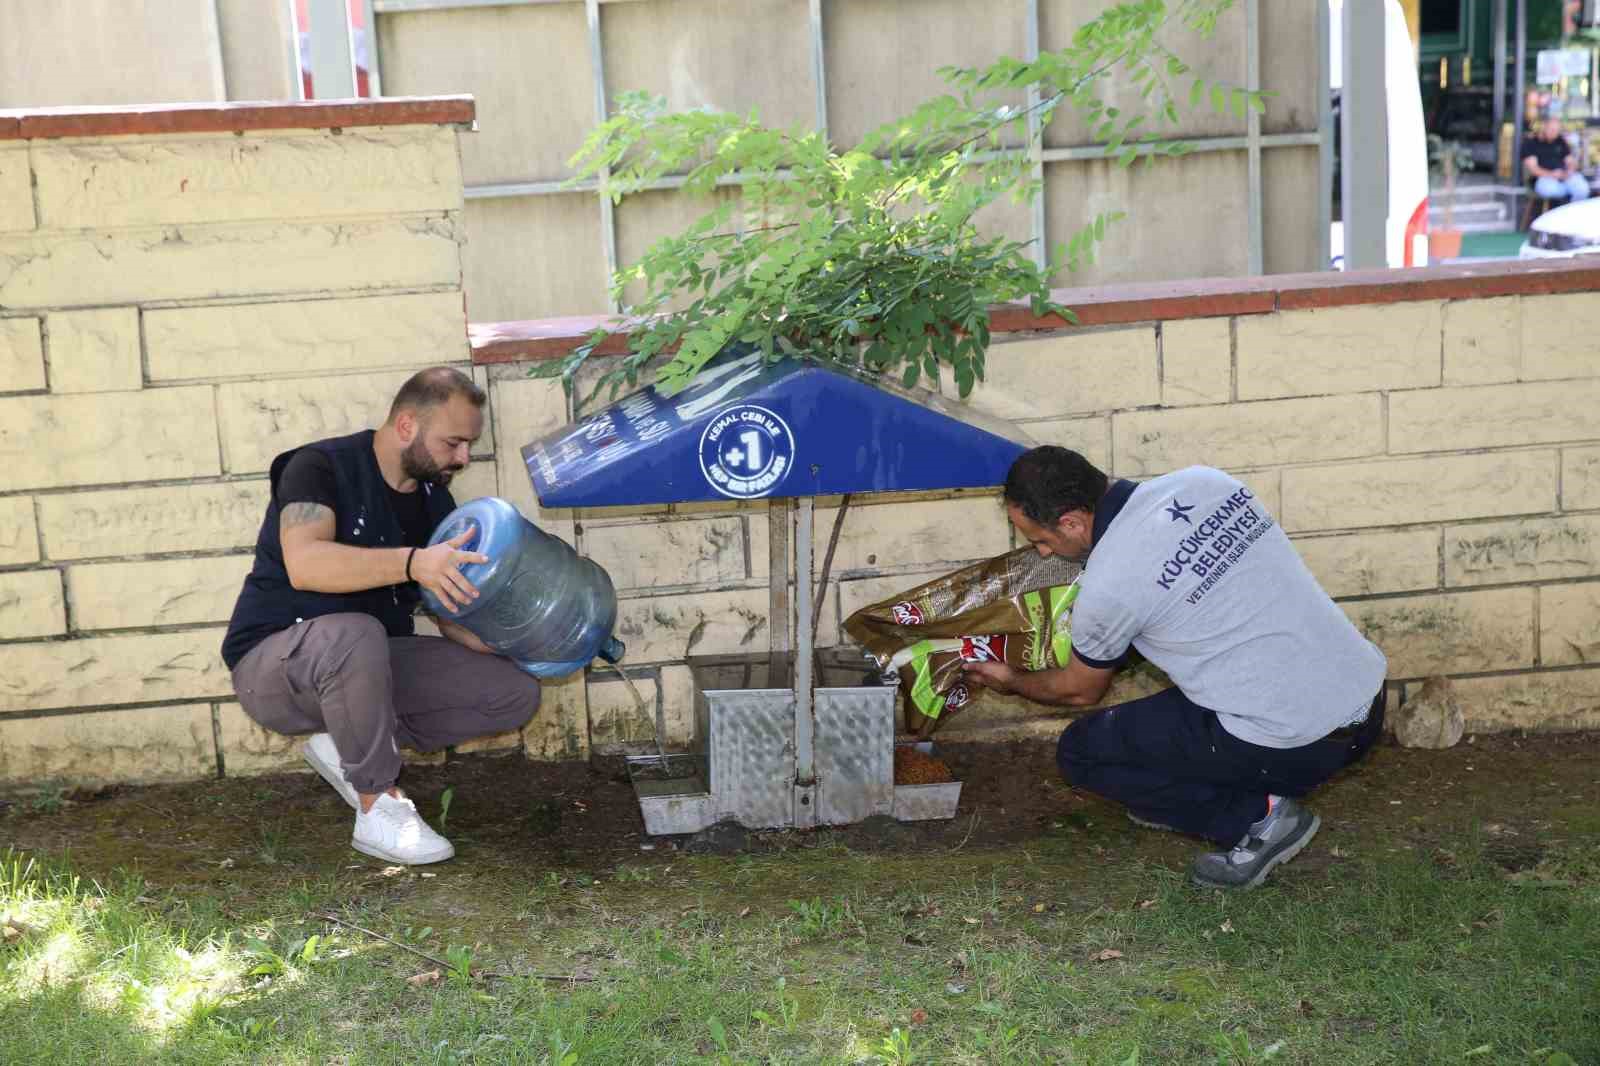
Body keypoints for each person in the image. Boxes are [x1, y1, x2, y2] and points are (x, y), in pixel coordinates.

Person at [962, 447, 1386, 889]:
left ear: (1071, 522)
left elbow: (1078, 690)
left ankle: (1258, 819)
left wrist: (1011, 680)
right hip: (1367, 700)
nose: (1045, 553)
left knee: (1084, 750)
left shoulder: (1109, 586)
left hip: (1301, 744)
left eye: (1041, 540)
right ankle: (1202, 792)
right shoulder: (1208, 482)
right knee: (1176, 710)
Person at [220, 367, 541, 866]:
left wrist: (515, 643)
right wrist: (413, 562)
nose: (463, 458)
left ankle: (347, 745)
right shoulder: (317, 466)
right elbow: (305, 564)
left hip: (368, 661)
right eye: (453, 442)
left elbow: (447, 610)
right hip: (275, 664)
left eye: (468, 445)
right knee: (355, 633)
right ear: (407, 425)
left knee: (513, 691)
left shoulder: (435, 501)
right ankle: (376, 804)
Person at [1523, 116, 1590, 206]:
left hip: (1563, 176)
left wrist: (1569, 170)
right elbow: (1533, 169)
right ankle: (1564, 208)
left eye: (1556, 131)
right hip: (1543, 178)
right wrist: (1552, 174)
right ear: (1544, 127)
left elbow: (1570, 161)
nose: (1554, 133)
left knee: (1582, 188)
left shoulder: (1560, 141)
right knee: (1549, 189)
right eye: (1552, 129)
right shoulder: (1531, 142)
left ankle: (1572, 211)